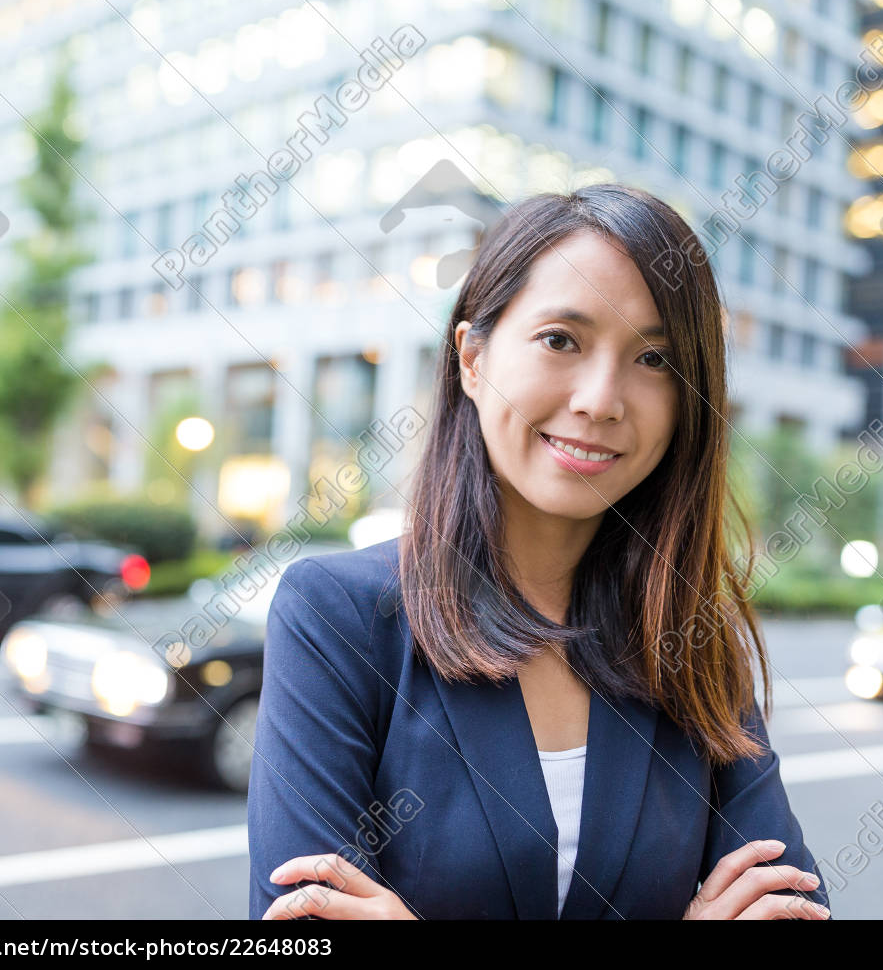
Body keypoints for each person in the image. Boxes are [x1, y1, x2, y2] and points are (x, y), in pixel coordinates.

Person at [246, 184, 830, 920]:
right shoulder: (336, 617)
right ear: (472, 356)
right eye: (562, 339)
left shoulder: (690, 636)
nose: (601, 398)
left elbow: (794, 908)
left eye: (654, 358)